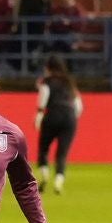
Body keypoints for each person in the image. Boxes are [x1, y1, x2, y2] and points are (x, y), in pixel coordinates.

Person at [36, 55, 82, 194]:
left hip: (52, 115)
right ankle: (58, 182)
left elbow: (43, 99)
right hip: (69, 117)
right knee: (62, 153)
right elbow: (79, 106)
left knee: (44, 148)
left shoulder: (46, 82)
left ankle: (44, 176)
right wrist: (72, 119)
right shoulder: (69, 82)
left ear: (48, 67)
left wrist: (38, 117)